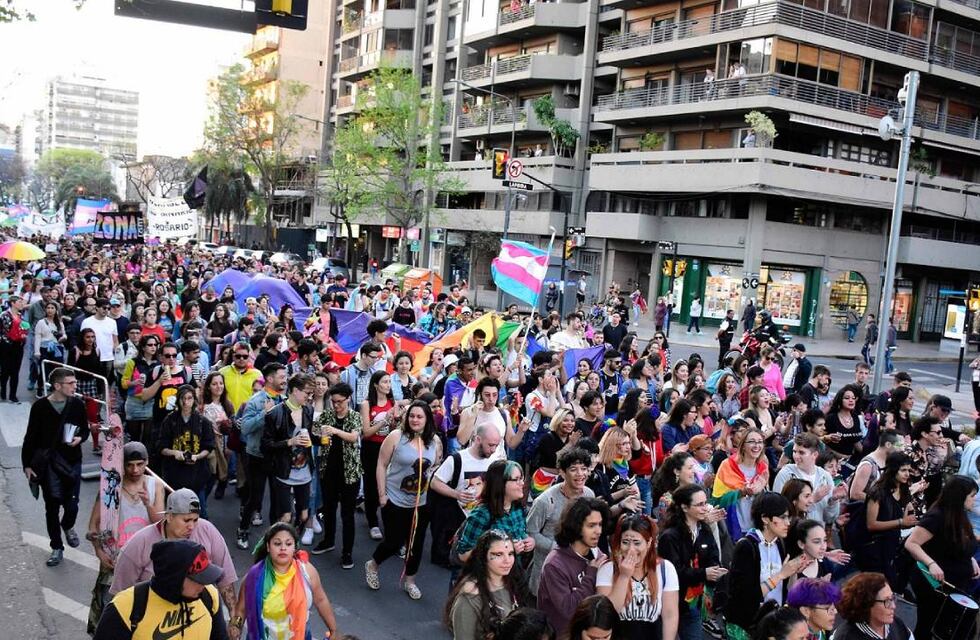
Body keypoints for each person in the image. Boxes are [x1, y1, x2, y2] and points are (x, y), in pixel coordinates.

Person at [109, 488, 239, 612]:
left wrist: (234, 618)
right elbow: (120, 594)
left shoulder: (207, 530)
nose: (192, 526)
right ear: (169, 517)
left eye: (195, 520)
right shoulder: (139, 543)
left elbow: (225, 578)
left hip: (199, 616)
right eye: (186, 520)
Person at [84, 441, 166, 634]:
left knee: (143, 612)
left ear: (147, 463)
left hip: (147, 561)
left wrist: (148, 503)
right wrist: (98, 551)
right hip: (116, 559)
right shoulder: (111, 487)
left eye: (140, 464)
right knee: (110, 610)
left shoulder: (156, 485)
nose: (135, 469)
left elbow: (161, 525)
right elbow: (93, 524)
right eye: (130, 465)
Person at [365, 400, 443, 600]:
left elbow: (436, 466)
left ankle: (410, 581)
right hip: (395, 499)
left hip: (421, 503)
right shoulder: (395, 437)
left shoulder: (435, 442)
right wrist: (382, 496)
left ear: (427, 420)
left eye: (419, 416)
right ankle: (373, 564)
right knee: (393, 541)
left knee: (416, 544)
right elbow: (381, 464)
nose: (415, 420)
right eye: (412, 416)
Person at [21, 366, 89, 567]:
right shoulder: (40, 407)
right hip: (49, 464)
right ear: (57, 386)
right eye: (71, 383)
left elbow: (84, 429)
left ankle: (67, 525)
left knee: (72, 505)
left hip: (72, 460)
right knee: (51, 507)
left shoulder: (77, 404)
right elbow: (30, 438)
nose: (75, 386)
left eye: (75, 382)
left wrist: (79, 439)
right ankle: (56, 547)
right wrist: (27, 465)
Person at [93, 539, 227, 640]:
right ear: (175, 578)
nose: (204, 585)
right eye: (198, 579)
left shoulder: (209, 596)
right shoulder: (126, 606)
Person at [229, 523, 339, 640]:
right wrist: (235, 630)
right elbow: (240, 611)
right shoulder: (253, 577)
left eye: (288, 543)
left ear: (294, 547)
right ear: (268, 547)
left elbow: (321, 600)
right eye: (277, 543)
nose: (283, 548)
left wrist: (333, 630)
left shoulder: (307, 571)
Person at [724, 492, 809, 640]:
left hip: (771, 623)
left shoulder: (780, 544)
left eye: (788, 517)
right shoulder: (746, 546)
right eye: (782, 517)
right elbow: (747, 595)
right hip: (746, 625)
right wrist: (781, 575)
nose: (788, 523)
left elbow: (786, 590)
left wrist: (793, 572)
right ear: (765, 519)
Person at [904, 475, 980, 638]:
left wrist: (970, 559)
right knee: (929, 624)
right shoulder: (937, 516)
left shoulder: (960, 516)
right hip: (935, 584)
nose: (974, 500)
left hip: (956, 582)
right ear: (960, 496)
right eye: (972, 496)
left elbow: (957, 542)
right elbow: (911, 543)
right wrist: (931, 563)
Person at [655, 484, 728, 640]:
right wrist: (704, 573)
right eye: (700, 505)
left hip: (694, 604)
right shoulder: (670, 537)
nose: (705, 508)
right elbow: (673, 572)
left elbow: (713, 556)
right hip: (670, 604)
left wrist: (716, 571)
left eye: (705, 503)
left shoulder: (704, 529)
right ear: (684, 507)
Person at [429, 421, 501, 567]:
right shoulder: (456, 459)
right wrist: (456, 494)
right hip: (455, 518)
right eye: (490, 445)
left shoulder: (494, 460)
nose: (493, 449)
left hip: (480, 519)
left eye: (496, 445)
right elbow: (435, 483)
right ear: (478, 439)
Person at [596, 513, 679, 640]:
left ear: (649, 542)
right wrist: (624, 576)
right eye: (625, 542)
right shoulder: (607, 569)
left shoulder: (665, 569)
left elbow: (670, 615)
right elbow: (607, 614)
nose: (631, 550)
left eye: (637, 543)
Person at [537, 496, 610, 636]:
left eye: (600, 524)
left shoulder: (596, 554)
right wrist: (591, 574)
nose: (598, 531)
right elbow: (569, 609)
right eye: (591, 525)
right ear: (576, 526)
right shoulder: (554, 564)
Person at [310, 382, 362, 568]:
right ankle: (328, 540)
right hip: (328, 470)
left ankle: (347, 552)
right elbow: (313, 432)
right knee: (328, 509)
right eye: (333, 402)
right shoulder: (326, 415)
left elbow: (353, 436)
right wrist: (320, 436)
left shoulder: (355, 416)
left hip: (350, 473)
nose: (336, 405)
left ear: (348, 399)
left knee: (348, 514)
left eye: (340, 401)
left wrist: (335, 431)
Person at [236, 362, 287, 550]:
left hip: (277, 455)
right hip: (257, 455)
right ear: (270, 378)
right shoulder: (256, 400)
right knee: (255, 497)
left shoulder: (285, 399)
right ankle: (243, 529)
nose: (285, 380)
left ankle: (274, 536)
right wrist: (264, 415)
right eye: (281, 377)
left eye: (285, 377)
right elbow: (246, 428)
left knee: (277, 497)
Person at [445, 529, 532, 640]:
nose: (507, 560)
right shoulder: (470, 597)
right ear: (483, 557)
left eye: (510, 553)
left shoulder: (515, 582)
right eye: (499, 554)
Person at [261, 373, 316, 542]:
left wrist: (320, 438)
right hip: (284, 472)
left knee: (304, 515)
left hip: (304, 470)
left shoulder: (308, 410)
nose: (309, 396)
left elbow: (310, 437)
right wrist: (289, 442)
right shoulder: (275, 414)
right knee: (285, 516)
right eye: (307, 392)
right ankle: (275, 544)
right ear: (294, 391)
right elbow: (266, 445)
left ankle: (293, 543)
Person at [453, 459, 535, 565]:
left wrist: (528, 541)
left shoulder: (518, 509)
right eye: (516, 479)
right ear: (500, 484)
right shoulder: (482, 514)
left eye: (521, 478)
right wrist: (507, 550)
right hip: (486, 577)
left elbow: (520, 534)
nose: (522, 483)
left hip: (512, 575)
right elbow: (463, 555)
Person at [158, 385, 215, 516]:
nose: (186, 402)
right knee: (175, 512)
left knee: (200, 513)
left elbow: (209, 447)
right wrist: (174, 453)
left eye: (189, 398)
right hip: (174, 474)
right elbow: (161, 446)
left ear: (194, 400)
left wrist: (197, 456)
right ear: (178, 400)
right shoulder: (169, 420)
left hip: (197, 474)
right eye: (182, 398)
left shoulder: (203, 422)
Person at [772, 433, 844, 526]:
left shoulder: (825, 477)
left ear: (814, 455)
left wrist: (833, 501)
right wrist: (813, 499)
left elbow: (829, 518)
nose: (796, 457)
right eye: (794, 452)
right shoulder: (786, 474)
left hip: (817, 534)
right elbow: (779, 510)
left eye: (801, 452)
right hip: (793, 533)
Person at [711, 429, 769, 540]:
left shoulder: (763, 468)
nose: (756, 446)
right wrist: (741, 492)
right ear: (742, 446)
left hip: (758, 529)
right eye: (752, 441)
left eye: (760, 442)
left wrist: (761, 492)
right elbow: (717, 501)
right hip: (734, 528)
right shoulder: (727, 466)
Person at [833, 572, 912, 640]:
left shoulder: (897, 624)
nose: (893, 606)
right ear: (866, 605)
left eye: (892, 599)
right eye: (886, 601)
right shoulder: (845, 637)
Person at [0, 295, 29, 402]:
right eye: (19, 302)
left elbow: (24, 328)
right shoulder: (4, 315)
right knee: (5, 370)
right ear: (12, 303)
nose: (21, 304)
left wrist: (24, 334)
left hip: (18, 346)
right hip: (6, 346)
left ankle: (13, 394)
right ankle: (3, 390)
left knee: (15, 371)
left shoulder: (21, 316)